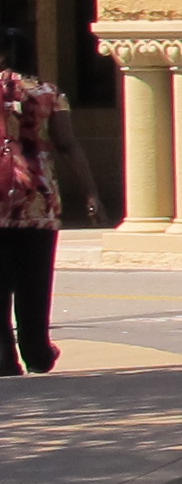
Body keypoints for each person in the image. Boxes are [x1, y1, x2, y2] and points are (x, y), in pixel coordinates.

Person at [0, 21, 103, 372]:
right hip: (38, 198)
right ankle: (37, 351)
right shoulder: (48, 93)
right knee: (35, 279)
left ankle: (3, 358)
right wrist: (91, 194)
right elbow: (67, 145)